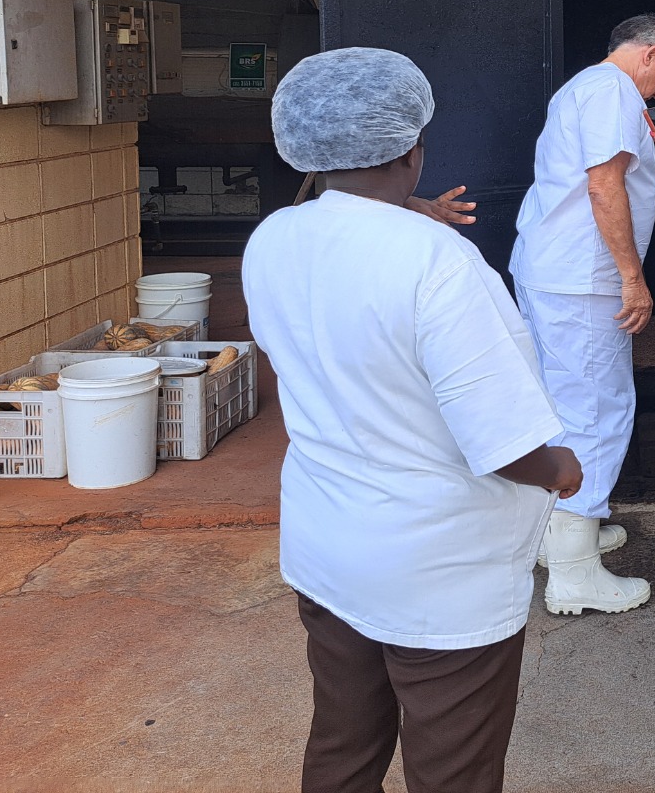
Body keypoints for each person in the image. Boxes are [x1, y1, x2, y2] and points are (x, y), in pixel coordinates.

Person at [243, 47, 583, 793]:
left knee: (342, 743)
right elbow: (503, 443)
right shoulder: (441, 262)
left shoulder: (272, 239)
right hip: (437, 570)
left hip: (327, 545)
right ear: (411, 149)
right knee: (452, 769)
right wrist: (560, 469)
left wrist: (400, 217)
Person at [511, 13, 655, 615]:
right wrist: (632, 277)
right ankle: (575, 570)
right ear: (652, 53)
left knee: (561, 403)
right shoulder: (613, 92)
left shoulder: (585, 87)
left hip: (552, 270)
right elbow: (605, 186)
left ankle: (561, 530)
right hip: (582, 279)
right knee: (596, 410)